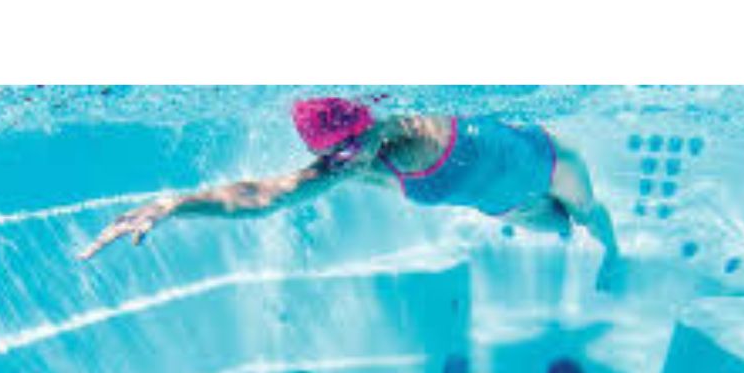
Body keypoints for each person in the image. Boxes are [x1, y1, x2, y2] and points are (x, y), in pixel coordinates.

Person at [78, 96, 621, 287]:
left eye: (348, 147)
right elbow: (266, 196)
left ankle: (613, 255)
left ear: (371, 122)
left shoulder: (428, 109)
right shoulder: (359, 166)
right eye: (333, 156)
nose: (345, 162)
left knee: (589, 215)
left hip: (551, 161)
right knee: (559, 228)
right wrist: (175, 206)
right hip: (504, 204)